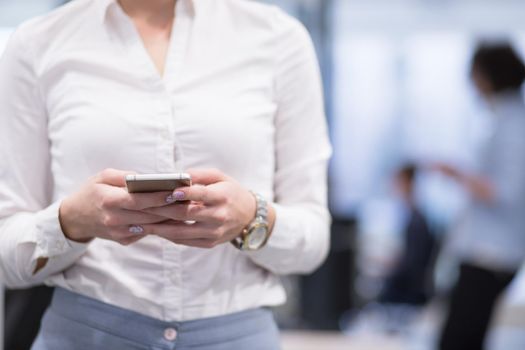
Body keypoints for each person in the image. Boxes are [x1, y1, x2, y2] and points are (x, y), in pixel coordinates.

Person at [0, 0, 332, 349]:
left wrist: (250, 218)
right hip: (84, 336)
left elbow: (313, 240)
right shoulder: (37, 43)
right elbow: (7, 251)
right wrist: (71, 222)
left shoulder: (279, 38)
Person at [434, 42, 525, 350]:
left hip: (492, 254)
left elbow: (507, 192)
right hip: (487, 252)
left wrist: (458, 174)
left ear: (487, 75)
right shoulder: (504, 118)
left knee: (457, 341)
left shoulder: (514, 124)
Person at [378, 164, 435, 307]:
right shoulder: (413, 216)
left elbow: (411, 266)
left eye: (397, 181)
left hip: (408, 293)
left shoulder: (417, 221)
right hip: (409, 287)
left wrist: (389, 268)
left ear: (408, 183)